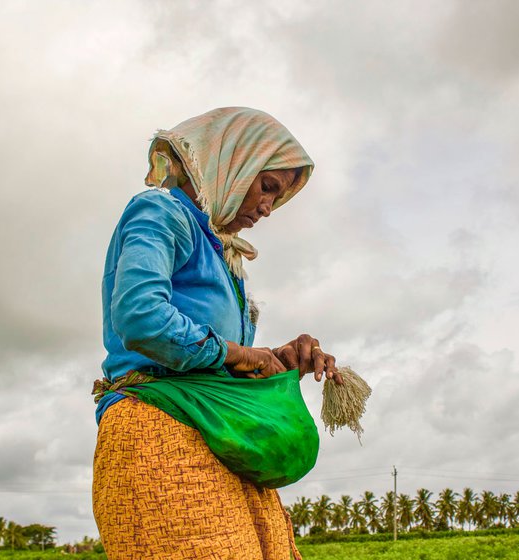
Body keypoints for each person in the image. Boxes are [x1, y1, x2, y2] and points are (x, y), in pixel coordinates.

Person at [92, 107, 342, 559]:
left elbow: (223, 359)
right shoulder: (162, 212)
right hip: (161, 432)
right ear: (233, 161)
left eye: (277, 199)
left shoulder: (225, 257)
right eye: (266, 187)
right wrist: (245, 356)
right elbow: (140, 315)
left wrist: (277, 358)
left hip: (223, 438)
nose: (267, 209)